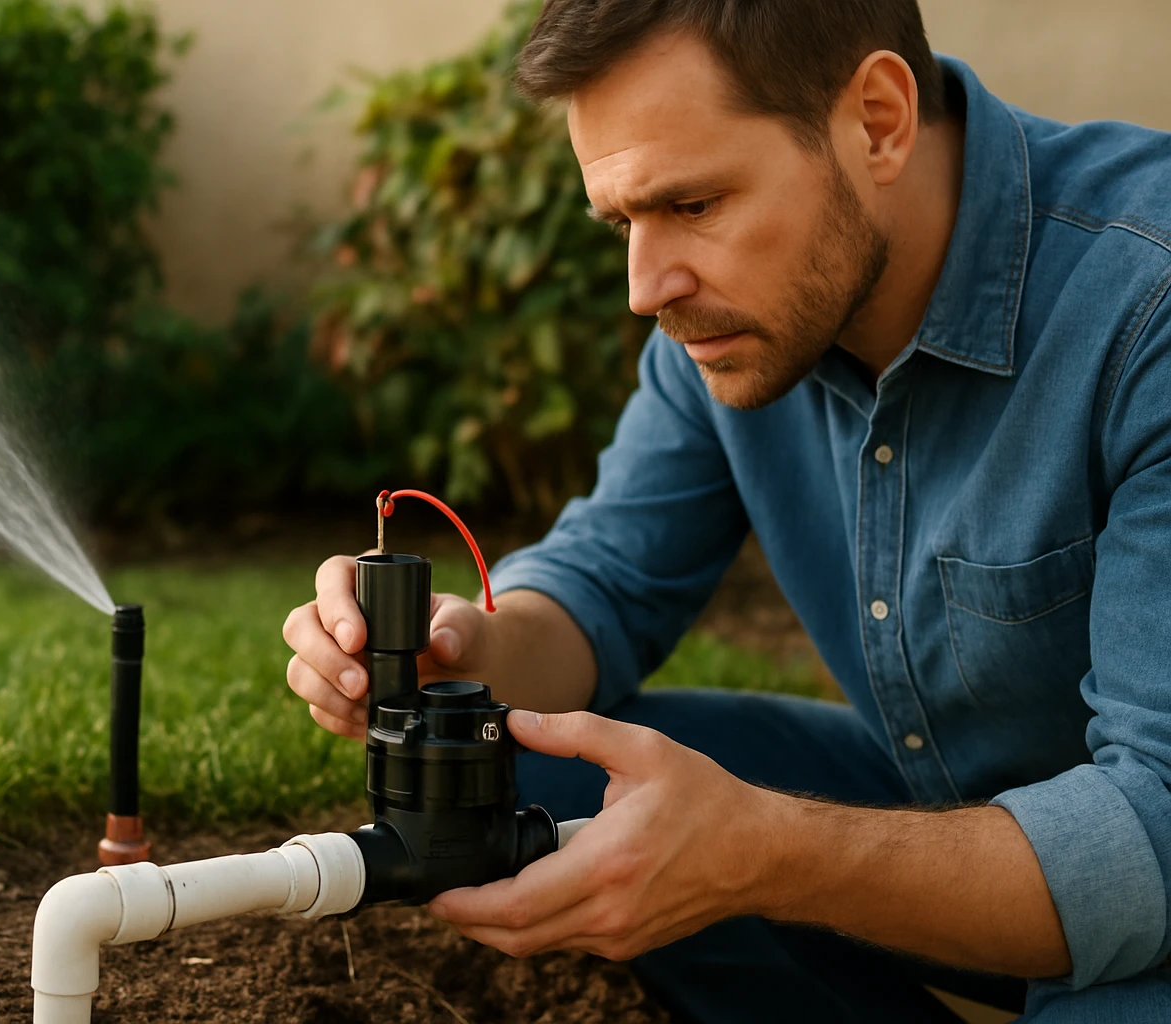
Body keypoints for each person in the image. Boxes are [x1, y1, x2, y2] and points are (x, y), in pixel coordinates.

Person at [283, 1, 1171, 1020]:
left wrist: (772, 855)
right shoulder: (738, 325)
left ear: (879, 119)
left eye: (693, 204)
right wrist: (463, 652)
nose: (644, 286)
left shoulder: (1147, 306)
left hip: (1153, 872)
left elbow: (1155, 833)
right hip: (955, 812)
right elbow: (606, 577)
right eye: (623, 221)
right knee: (528, 767)